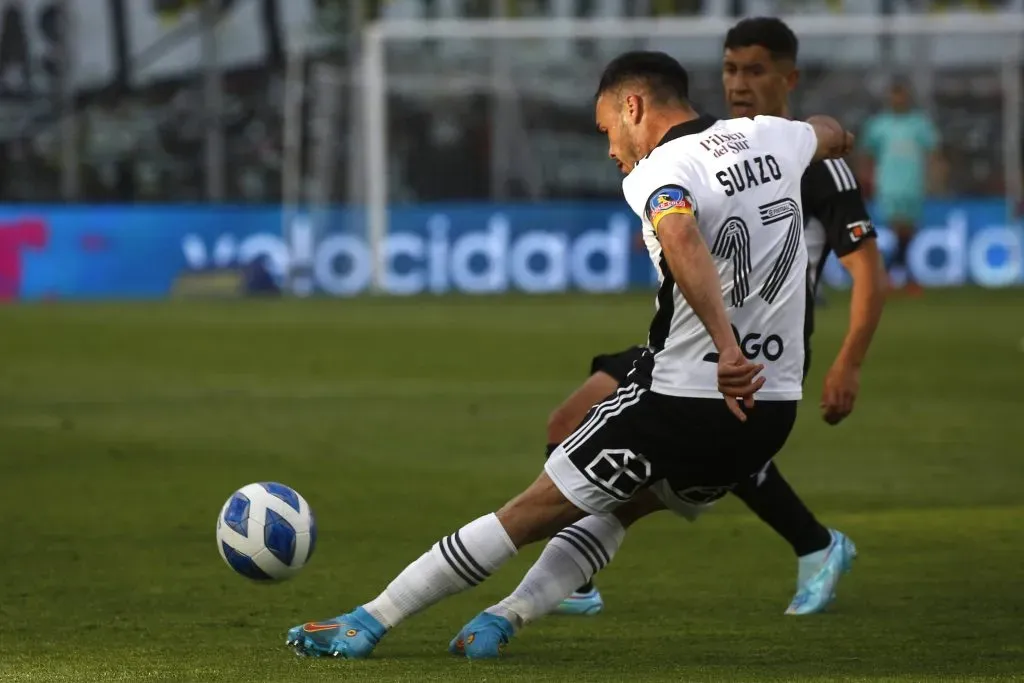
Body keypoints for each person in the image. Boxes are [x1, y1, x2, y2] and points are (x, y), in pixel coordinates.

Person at [285, 50, 854, 661]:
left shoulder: (661, 170)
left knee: (530, 511)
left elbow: (680, 234)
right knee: (626, 507)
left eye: (608, 128)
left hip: (687, 393)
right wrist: (823, 135)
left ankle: (368, 621)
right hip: (771, 410)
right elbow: (832, 134)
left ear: (633, 106)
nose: (611, 150)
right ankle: (504, 619)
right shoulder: (772, 137)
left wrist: (725, 348)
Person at [549, 17, 886, 618]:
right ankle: (814, 543)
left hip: (762, 346)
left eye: (754, 69)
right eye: (730, 68)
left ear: (789, 77)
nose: (738, 82)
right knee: (588, 424)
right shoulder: (725, 144)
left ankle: (571, 579)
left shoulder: (808, 160)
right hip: (696, 335)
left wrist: (850, 364)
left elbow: (868, 272)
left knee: (712, 453)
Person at [858, 81, 940, 294]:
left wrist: (934, 178)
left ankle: (888, 276)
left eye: (901, 95)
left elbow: (932, 153)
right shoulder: (878, 125)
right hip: (889, 184)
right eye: (894, 96)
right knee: (898, 231)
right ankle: (900, 278)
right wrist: (866, 180)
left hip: (913, 183)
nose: (898, 100)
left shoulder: (919, 124)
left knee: (908, 232)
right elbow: (868, 155)